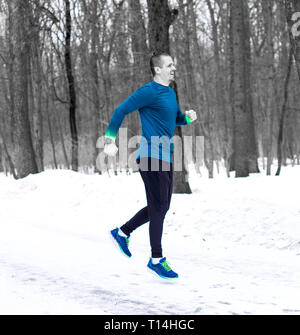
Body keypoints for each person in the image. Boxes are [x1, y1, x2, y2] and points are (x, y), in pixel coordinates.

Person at [104, 51, 197, 279]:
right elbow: (120, 110)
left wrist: (186, 118)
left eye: (173, 64)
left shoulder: (170, 93)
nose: (174, 68)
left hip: (166, 157)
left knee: (161, 206)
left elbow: (174, 119)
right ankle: (157, 259)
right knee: (158, 207)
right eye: (169, 64)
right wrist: (109, 139)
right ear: (157, 69)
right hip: (150, 156)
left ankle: (122, 232)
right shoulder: (148, 91)